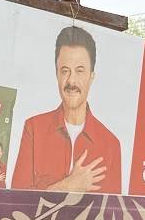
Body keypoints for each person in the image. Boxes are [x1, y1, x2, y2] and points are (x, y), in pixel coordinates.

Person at [11, 24, 122, 193]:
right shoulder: (34, 129)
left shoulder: (110, 145)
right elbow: (14, 203)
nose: (71, 81)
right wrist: (68, 186)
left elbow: (111, 214)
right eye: (65, 71)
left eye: (79, 71)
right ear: (57, 74)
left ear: (91, 77)